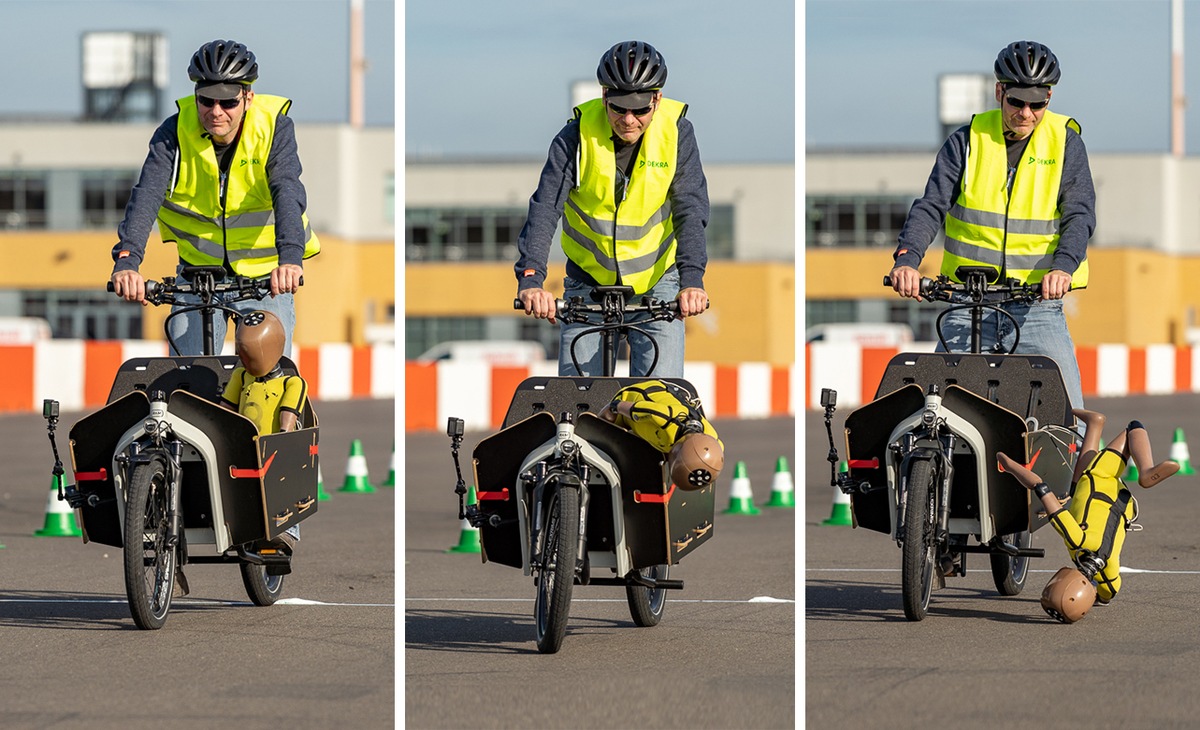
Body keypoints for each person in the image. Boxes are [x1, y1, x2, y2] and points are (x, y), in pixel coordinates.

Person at [888, 40, 1095, 412]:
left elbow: (1079, 214)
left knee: (1069, 418)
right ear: (1000, 92)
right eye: (1016, 101)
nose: (1026, 113)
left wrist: (1063, 267)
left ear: (1049, 97)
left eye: (1037, 104)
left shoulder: (1066, 143)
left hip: (1036, 307)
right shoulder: (965, 142)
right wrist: (907, 260)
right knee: (931, 411)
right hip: (966, 302)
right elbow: (931, 205)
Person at [110, 39, 320, 357]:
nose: (216, 112)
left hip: (264, 278)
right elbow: (147, 195)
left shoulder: (273, 129)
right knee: (185, 381)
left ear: (248, 98)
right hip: (197, 275)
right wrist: (127, 261)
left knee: (268, 382)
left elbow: (287, 191)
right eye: (206, 101)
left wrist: (290, 260)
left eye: (228, 103)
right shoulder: (174, 133)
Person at [515, 40, 710, 378]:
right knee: (575, 404)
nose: (629, 120)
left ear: (657, 99)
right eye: (619, 108)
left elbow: (690, 208)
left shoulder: (677, 133)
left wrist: (692, 281)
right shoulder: (575, 137)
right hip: (586, 284)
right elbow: (546, 207)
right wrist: (531, 278)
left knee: (659, 403)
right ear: (604, 97)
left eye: (640, 110)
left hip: (657, 285)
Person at [997, 410, 1178, 621]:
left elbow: (1106, 596)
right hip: (1100, 480)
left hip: (1123, 505)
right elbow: (1039, 485)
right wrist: (1008, 465)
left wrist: (1089, 596)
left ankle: (1095, 424)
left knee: (1075, 491)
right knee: (1132, 428)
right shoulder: (1077, 541)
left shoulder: (1110, 580)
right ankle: (1145, 471)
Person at [220, 310, 308, 553]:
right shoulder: (240, 375)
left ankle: (282, 528)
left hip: (272, 444)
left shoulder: (292, 382)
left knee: (275, 485)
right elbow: (225, 407)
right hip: (242, 443)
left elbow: (289, 412)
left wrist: (283, 436)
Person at [599, 380, 724, 490]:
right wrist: (611, 410)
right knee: (608, 422)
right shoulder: (668, 419)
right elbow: (639, 409)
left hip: (653, 438)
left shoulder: (715, 445)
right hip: (630, 404)